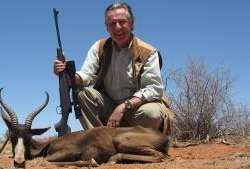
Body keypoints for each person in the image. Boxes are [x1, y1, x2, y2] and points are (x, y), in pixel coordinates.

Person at [54, 2, 173, 135]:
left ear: (132, 23)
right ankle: (101, 144)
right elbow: (86, 76)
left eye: (122, 22)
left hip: (136, 109)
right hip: (108, 111)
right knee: (81, 94)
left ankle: (142, 145)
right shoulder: (99, 48)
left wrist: (123, 107)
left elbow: (153, 89)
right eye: (112, 23)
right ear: (106, 27)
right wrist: (65, 74)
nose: (117, 27)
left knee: (152, 113)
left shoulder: (149, 52)